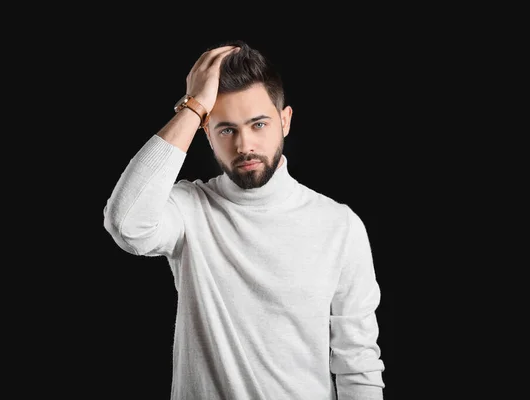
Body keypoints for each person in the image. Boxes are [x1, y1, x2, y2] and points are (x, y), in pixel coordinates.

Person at [103, 40, 385, 400]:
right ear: (206, 133)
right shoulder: (190, 208)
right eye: (226, 129)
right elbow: (126, 224)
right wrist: (193, 107)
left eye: (259, 124)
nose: (244, 145)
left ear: (285, 121)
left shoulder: (339, 225)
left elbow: (357, 362)